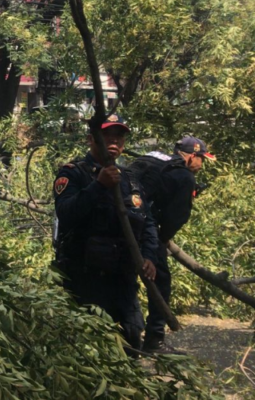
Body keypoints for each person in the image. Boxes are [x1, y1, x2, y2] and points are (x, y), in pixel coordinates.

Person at [52, 113, 159, 355]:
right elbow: (66, 213)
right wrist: (98, 185)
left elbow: (149, 223)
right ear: (91, 139)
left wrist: (149, 256)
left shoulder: (130, 179)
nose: (114, 142)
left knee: (132, 340)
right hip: (85, 280)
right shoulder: (73, 173)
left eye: (119, 138)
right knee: (88, 350)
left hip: (123, 280)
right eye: (107, 137)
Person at [130, 136, 215, 354]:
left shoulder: (154, 158)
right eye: (201, 159)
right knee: (161, 281)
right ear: (191, 156)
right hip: (145, 227)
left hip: (124, 222)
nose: (201, 165)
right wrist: (163, 238)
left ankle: (127, 335)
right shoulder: (184, 176)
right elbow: (178, 216)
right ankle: (154, 339)